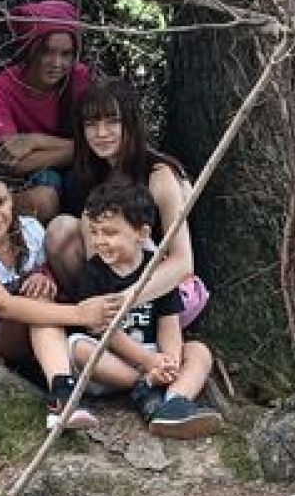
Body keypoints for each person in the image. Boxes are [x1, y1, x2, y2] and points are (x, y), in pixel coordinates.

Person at [34, 181, 221, 439]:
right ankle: (142, 386)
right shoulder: (93, 274)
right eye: (95, 232)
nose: (100, 241)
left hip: (153, 354)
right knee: (77, 346)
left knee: (199, 351)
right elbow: (106, 333)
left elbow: (168, 322)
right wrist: (147, 364)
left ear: (141, 234)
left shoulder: (158, 272)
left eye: (110, 233)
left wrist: (170, 361)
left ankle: (175, 401)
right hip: (112, 361)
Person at [0, 167, 124, 428]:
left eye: (0, 202)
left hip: (46, 327)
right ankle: (62, 394)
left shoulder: (29, 227)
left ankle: (62, 388)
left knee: (39, 296)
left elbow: (49, 268)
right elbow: (3, 306)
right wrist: (81, 314)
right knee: (36, 304)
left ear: (11, 200)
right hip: (2, 335)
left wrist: (44, 276)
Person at [46, 76, 208, 323]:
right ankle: (93, 313)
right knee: (64, 229)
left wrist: (126, 298)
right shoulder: (91, 173)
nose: (101, 133)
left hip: (165, 293)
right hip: (111, 283)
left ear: (131, 123)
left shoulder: (159, 175)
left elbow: (183, 262)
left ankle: (123, 322)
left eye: (113, 122)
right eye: (91, 124)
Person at [0, 0, 90, 222]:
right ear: (30, 50)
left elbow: (97, 144)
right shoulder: (0, 87)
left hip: (73, 172)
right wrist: (78, 150)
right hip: (27, 180)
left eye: (66, 54)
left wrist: (34, 141)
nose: (57, 63)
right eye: (47, 52)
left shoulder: (78, 78)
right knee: (47, 188)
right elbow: (12, 160)